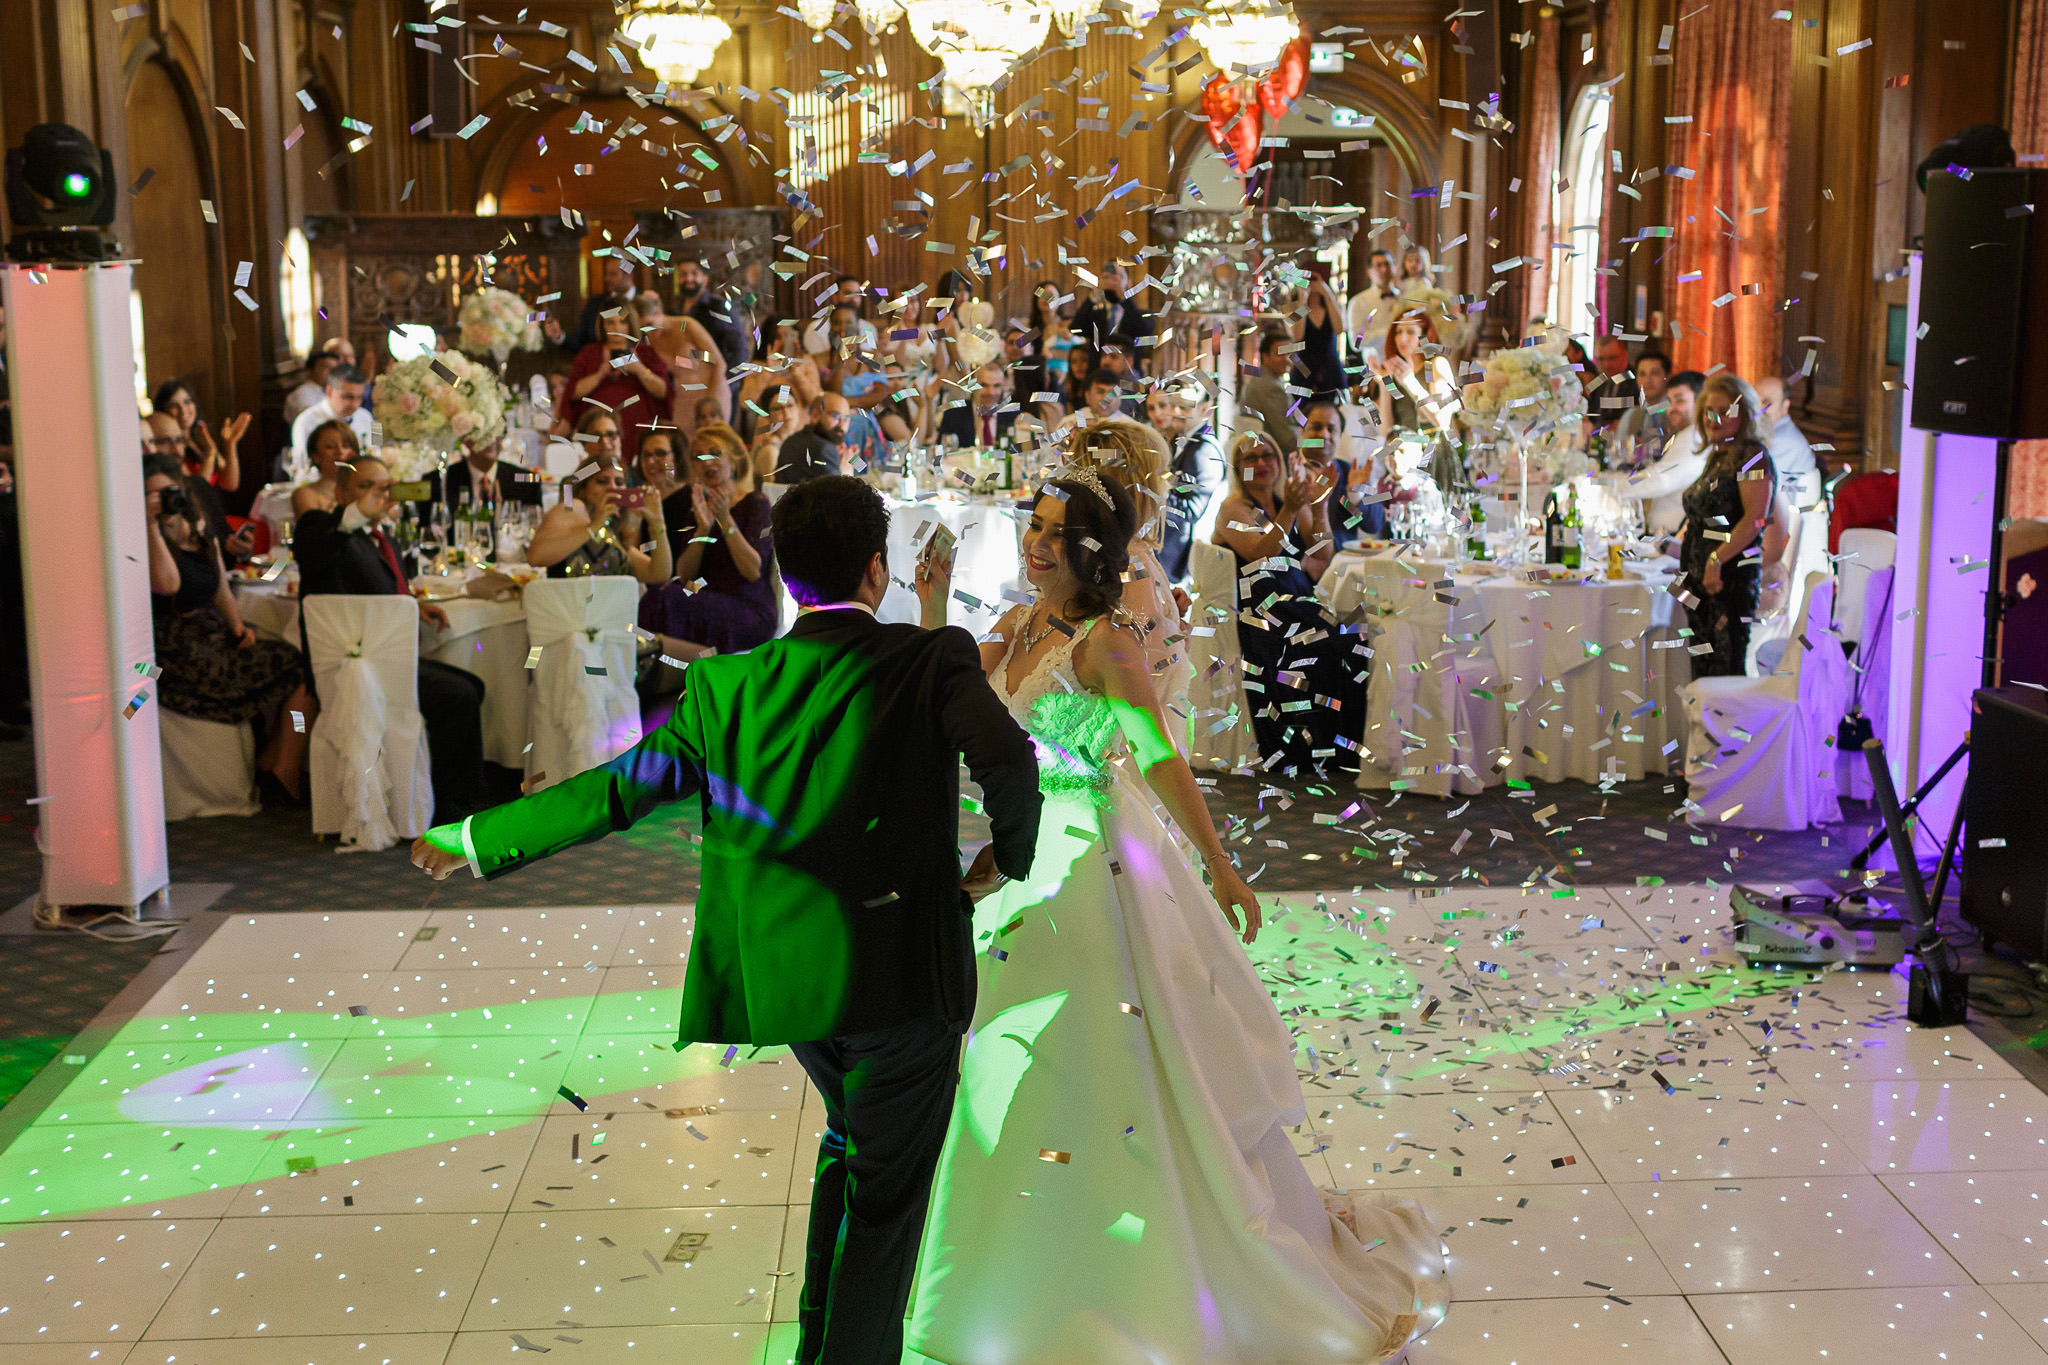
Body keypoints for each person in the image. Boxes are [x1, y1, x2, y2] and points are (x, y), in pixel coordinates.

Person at [409, 474, 1043, 1365]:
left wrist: (478, 836)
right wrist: (1004, 859)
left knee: (849, 1145)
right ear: (877, 568)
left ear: (784, 576)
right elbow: (1010, 761)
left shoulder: (725, 686)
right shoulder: (930, 657)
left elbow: (619, 791)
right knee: (886, 1203)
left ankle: (819, 1346)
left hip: (790, 980)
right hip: (908, 976)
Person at [909, 465, 1441, 1361]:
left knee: (1104, 1051)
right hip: (1025, 862)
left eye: (1056, 531)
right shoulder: (1018, 624)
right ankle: (1020, 1265)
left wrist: (1221, 866)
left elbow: (1159, 758)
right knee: (1015, 1054)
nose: (1037, 543)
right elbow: (945, 698)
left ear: (1091, 549)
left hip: (1094, 858)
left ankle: (1142, 1270)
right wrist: (932, 604)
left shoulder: (1107, 643)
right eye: (1034, 525)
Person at [293, 455, 489, 819]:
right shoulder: (322, 527)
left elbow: (380, 593)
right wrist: (356, 513)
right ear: (341, 494)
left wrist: (413, 606)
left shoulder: (382, 538)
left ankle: (451, 792)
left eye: (383, 488)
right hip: (356, 667)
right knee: (458, 695)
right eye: (365, 487)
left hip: (386, 655)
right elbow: (313, 553)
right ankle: (448, 806)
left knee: (473, 686)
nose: (377, 495)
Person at [144, 455, 312, 804]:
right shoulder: (143, 537)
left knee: (300, 668)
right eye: (154, 494)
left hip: (212, 633)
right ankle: (281, 768)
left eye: (169, 492)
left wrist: (237, 626)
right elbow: (169, 584)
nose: (165, 501)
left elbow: (221, 585)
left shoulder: (197, 528)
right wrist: (151, 524)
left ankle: (279, 759)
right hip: (176, 652)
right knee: (296, 670)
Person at [1210, 430, 1371, 774]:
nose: (1261, 463)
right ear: (1238, 468)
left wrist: (1320, 504)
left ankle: (1345, 744)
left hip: (1297, 599)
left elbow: (1322, 553)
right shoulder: (1233, 508)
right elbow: (1259, 554)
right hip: (1262, 610)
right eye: (1250, 458)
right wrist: (1291, 509)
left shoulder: (1285, 500)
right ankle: (1316, 746)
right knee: (1326, 644)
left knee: (1355, 640)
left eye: (1267, 455)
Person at [638, 422, 777, 662]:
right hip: (707, 597)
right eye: (698, 457)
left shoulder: (756, 503)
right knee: (656, 596)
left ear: (734, 459)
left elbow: (753, 571)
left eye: (714, 453)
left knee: (667, 602)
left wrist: (725, 520)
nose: (706, 462)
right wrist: (703, 529)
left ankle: (666, 670)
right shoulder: (700, 508)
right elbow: (686, 577)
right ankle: (658, 670)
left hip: (748, 607)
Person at [1677, 375, 1778, 678]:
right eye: (1709, 411)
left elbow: (1755, 519)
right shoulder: (1720, 454)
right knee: (1701, 672)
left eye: (1725, 411)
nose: (1714, 419)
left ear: (1744, 415)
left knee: (1723, 671)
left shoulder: (1752, 456)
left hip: (1727, 581)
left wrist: (1715, 560)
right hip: (1699, 584)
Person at [525, 454, 673, 584]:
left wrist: (657, 523)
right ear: (583, 488)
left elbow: (659, 574)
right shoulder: (574, 508)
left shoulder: (614, 530)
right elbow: (535, 557)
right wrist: (594, 526)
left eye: (619, 482)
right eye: (602, 481)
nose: (612, 487)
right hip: (568, 605)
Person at [1145, 383, 1223, 582]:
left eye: (1185, 407)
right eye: (1173, 405)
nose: (1176, 412)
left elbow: (1193, 511)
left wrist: (1158, 489)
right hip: (1164, 544)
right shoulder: (1181, 441)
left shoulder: (1204, 450)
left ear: (1204, 409)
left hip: (1178, 557)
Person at [565, 321, 671, 462]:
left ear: (630, 323)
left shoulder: (644, 352)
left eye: (622, 322)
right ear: (603, 326)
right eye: (610, 322)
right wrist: (600, 373)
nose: (616, 327)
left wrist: (639, 369)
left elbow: (663, 391)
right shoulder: (589, 353)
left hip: (636, 426)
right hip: (599, 429)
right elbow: (573, 392)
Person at [1617, 369, 1706, 537]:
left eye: (1680, 400)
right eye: (1669, 401)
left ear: (1701, 402)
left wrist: (1610, 486)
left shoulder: (1694, 437)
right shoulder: (1688, 434)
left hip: (1673, 539)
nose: (1671, 409)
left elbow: (1660, 480)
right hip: (1663, 535)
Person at [632, 291, 727, 438]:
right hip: (683, 400)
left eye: (650, 325)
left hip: (712, 389)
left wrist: (710, 401)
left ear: (659, 311)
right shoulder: (650, 342)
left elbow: (719, 364)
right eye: (643, 328)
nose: (649, 332)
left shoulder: (687, 326)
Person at [1301, 397, 1385, 549]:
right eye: (1316, 427)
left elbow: (1375, 524)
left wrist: (1354, 495)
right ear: (1301, 432)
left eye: (1331, 429)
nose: (1324, 435)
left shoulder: (1349, 472)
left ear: (1340, 437)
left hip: (1341, 560)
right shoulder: (1282, 467)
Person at [151, 379, 250, 493]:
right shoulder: (170, 448)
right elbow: (197, 493)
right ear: (163, 411)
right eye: (173, 405)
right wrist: (209, 453)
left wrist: (231, 444)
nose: (183, 410)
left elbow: (230, 484)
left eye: (187, 402)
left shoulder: (200, 438)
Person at [287, 363, 372, 474]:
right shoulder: (305, 421)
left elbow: (378, 449)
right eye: (348, 397)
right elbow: (303, 466)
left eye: (359, 397)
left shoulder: (367, 416)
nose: (355, 404)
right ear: (329, 391)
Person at [675, 257, 752, 373]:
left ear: (705, 279)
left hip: (717, 376)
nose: (688, 278)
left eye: (694, 274)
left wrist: (726, 379)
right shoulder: (675, 310)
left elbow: (739, 350)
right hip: (686, 377)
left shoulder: (720, 307)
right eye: (683, 274)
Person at [547, 255, 638, 354]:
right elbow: (581, 341)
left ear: (629, 275)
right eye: (606, 274)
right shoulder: (595, 303)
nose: (607, 278)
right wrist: (559, 336)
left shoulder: (644, 302)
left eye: (613, 274)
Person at [432, 436, 547, 513]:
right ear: (465, 440)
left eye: (497, 434)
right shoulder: (440, 482)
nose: (491, 440)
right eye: (484, 435)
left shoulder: (527, 483)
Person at [1071, 264, 1155, 361]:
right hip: (1098, 368)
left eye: (1120, 277)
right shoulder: (1095, 314)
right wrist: (1094, 295)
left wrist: (1123, 297)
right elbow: (1076, 329)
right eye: (1107, 278)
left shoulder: (1141, 314)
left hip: (1128, 368)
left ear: (1129, 282)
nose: (1112, 282)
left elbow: (1145, 331)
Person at [1237, 329, 1299, 455]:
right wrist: (1315, 444)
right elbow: (1287, 440)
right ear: (1265, 357)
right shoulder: (1270, 387)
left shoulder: (1261, 379)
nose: (1286, 359)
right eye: (1280, 354)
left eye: (1289, 354)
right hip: (1269, 455)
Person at [1291, 272, 1349, 403]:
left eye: (1314, 279)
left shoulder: (1331, 304)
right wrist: (1302, 299)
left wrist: (1326, 293)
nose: (1311, 283)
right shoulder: (1292, 306)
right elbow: (1297, 335)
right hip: (1304, 369)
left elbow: (1340, 329)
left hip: (1330, 366)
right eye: (1306, 279)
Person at [291, 419, 362, 517]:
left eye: (346, 446)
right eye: (330, 447)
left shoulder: (365, 490)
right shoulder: (305, 494)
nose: (340, 451)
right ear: (316, 456)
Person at [776, 392, 851, 483]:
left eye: (846, 419)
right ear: (815, 415)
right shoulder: (825, 449)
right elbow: (838, 491)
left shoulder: (790, 441)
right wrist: (846, 473)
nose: (841, 424)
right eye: (835, 416)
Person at [939, 362, 1016, 447]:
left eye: (996, 386)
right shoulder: (953, 415)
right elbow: (941, 451)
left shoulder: (1013, 417)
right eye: (984, 385)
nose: (991, 392)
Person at [1346, 248, 1403, 362]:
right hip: (1376, 366)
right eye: (1378, 265)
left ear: (1395, 267)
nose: (1384, 269)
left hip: (1405, 363)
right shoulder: (1358, 301)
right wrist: (1390, 332)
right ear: (1369, 272)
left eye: (1388, 264)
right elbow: (1356, 341)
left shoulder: (1404, 298)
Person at [1613, 349, 1674, 452]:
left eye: (1654, 373)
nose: (1648, 380)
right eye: (1642, 374)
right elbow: (1618, 453)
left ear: (1667, 377)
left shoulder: (1675, 413)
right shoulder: (1631, 415)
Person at [803, 275, 879, 357]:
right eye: (848, 293)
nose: (853, 299)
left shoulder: (869, 328)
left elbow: (872, 358)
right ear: (834, 296)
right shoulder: (816, 328)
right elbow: (816, 361)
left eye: (857, 294)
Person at [1587, 335, 1638, 425]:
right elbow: (1590, 412)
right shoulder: (1598, 380)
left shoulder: (1637, 381)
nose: (1606, 365)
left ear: (1624, 354)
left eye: (1612, 358)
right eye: (1601, 359)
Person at [282, 348, 339, 427]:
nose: (332, 372)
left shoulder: (335, 391)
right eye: (326, 367)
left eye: (335, 368)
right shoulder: (303, 393)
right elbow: (313, 422)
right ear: (310, 371)